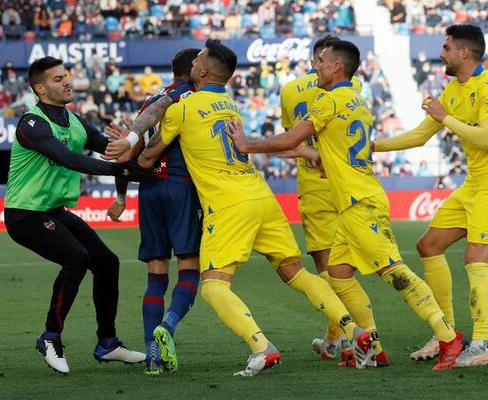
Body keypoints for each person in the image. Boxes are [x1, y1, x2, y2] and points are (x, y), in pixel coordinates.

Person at [136, 39, 375, 376]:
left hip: (229, 204)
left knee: (214, 286)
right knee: (295, 271)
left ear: (202, 70)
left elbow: (147, 156)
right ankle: (355, 331)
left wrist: (124, 151)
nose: (195, 61)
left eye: (199, 58)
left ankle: (261, 347)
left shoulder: (182, 109)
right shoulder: (231, 106)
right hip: (261, 196)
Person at [227, 39, 464, 371]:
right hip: (355, 200)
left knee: (393, 270)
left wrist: (247, 145)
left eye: (321, 61)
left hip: (359, 201)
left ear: (337, 66)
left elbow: (291, 137)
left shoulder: (327, 101)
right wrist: (311, 155)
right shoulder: (357, 99)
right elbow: (327, 151)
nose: (316, 66)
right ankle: (375, 348)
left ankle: (448, 337)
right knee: (337, 275)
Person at [373, 24, 488, 367]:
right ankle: (447, 333)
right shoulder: (453, 88)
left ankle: (482, 344)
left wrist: (446, 117)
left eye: (446, 47)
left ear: (464, 53)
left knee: (475, 260)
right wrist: (373, 146)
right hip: (473, 184)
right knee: (429, 245)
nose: (442, 53)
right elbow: (421, 134)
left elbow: (485, 138)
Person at [3, 56, 151, 375]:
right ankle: (50, 337)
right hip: (24, 214)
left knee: (107, 263)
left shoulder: (75, 120)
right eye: (58, 79)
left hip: (53, 211)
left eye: (66, 75)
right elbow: (68, 159)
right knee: (76, 257)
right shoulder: (31, 123)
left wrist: (130, 141)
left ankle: (107, 344)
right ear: (40, 89)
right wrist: (120, 167)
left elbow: (108, 148)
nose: (67, 81)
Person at [279, 34, 388, 367]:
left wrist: (310, 152)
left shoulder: (291, 90)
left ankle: (350, 341)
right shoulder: (351, 90)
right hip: (352, 184)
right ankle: (338, 340)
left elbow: (287, 144)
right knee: (344, 272)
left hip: (316, 189)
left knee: (328, 272)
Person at [105, 48, 203, 376]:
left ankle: (151, 355)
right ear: (194, 68)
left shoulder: (150, 99)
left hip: (148, 191)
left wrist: (120, 198)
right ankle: (168, 327)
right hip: (180, 186)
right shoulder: (189, 96)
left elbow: (125, 157)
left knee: (156, 275)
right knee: (189, 269)